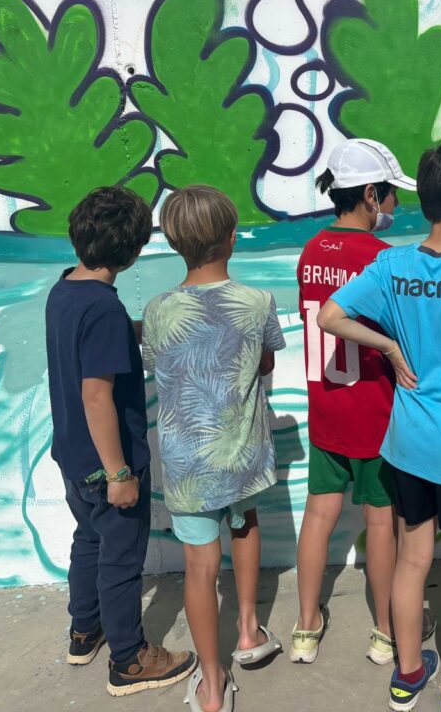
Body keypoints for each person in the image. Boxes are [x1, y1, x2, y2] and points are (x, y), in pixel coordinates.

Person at [317, 143, 441, 712]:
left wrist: (387, 344)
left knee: (412, 561)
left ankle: (408, 676)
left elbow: (330, 316)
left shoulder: (391, 266)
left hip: (407, 446)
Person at [45, 186, 196, 696]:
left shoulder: (66, 290)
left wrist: (136, 329)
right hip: (107, 463)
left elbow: (83, 346)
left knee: (88, 541)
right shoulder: (103, 310)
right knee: (121, 559)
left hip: (72, 455)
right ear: (132, 252)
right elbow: (96, 396)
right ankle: (129, 660)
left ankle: (84, 631)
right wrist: (119, 474)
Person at [142, 185, 287, 712]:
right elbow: (266, 364)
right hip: (241, 453)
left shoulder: (158, 309)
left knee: (199, 568)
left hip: (188, 467)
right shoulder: (258, 301)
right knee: (245, 525)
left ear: (174, 242)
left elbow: (156, 363)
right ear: (231, 238)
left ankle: (210, 683)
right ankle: (248, 630)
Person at [293, 138, 435, 665]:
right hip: (374, 413)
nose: (396, 205)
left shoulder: (311, 250)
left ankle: (305, 627)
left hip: (325, 406)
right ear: (371, 195)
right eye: (391, 195)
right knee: (380, 522)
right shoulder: (383, 259)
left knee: (319, 514)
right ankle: (385, 631)